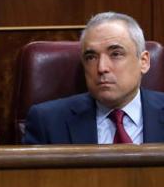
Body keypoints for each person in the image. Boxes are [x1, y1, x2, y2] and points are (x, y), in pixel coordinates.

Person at [23, 12, 164, 144]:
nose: (102, 68)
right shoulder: (47, 122)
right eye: (91, 57)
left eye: (116, 54)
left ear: (144, 61)